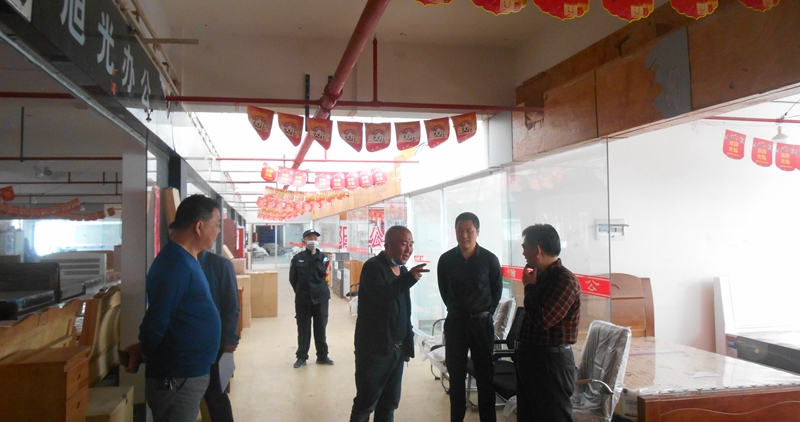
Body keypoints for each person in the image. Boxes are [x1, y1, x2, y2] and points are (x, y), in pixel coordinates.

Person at [122, 194, 222, 422]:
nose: (218, 231)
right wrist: (145, 350)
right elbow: (156, 321)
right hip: (176, 375)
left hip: (186, 371)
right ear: (199, 226)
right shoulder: (176, 264)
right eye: (216, 225)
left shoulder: (186, 259)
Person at [349, 226, 429, 422]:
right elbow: (381, 298)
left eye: (411, 244)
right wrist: (409, 279)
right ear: (387, 245)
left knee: (389, 405)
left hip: (397, 351)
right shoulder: (373, 267)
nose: (408, 249)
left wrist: (407, 343)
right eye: (403, 244)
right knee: (365, 404)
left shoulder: (402, 271)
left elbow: (404, 311)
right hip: (374, 352)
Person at [437, 212, 502, 422]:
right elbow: (444, 291)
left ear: (477, 232)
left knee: (485, 377)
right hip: (456, 323)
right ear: (455, 231)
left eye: (469, 230)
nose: (464, 235)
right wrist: (458, 310)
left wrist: (485, 312)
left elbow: (496, 292)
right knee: (456, 376)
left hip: (482, 324)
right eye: (460, 230)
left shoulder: (489, 259)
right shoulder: (446, 260)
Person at [516, 224, 581, 422]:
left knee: (553, 416)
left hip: (551, 363)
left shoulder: (565, 280)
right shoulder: (540, 276)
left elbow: (543, 320)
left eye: (525, 247)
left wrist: (529, 288)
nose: (523, 252)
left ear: (537, 250)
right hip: (531, 359)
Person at [198, 250, 240, 422]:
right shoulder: (177, 263)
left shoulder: (219, 265)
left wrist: (229, 339)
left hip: (214, 343)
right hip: (187, 343)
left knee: (215, 393)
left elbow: (232, 305)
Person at [289, 229, 333, 368]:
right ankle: (301, 357)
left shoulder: (324, 258)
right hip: (303, 300)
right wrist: (301, 291)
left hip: (321, 298)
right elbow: (293, 279)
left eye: (315, 238)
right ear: (304, 241)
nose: (313, 241)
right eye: (309, 238)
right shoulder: (297, 259)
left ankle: (322, 356)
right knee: (303, 329)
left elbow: (326, 277)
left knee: (321, 328)